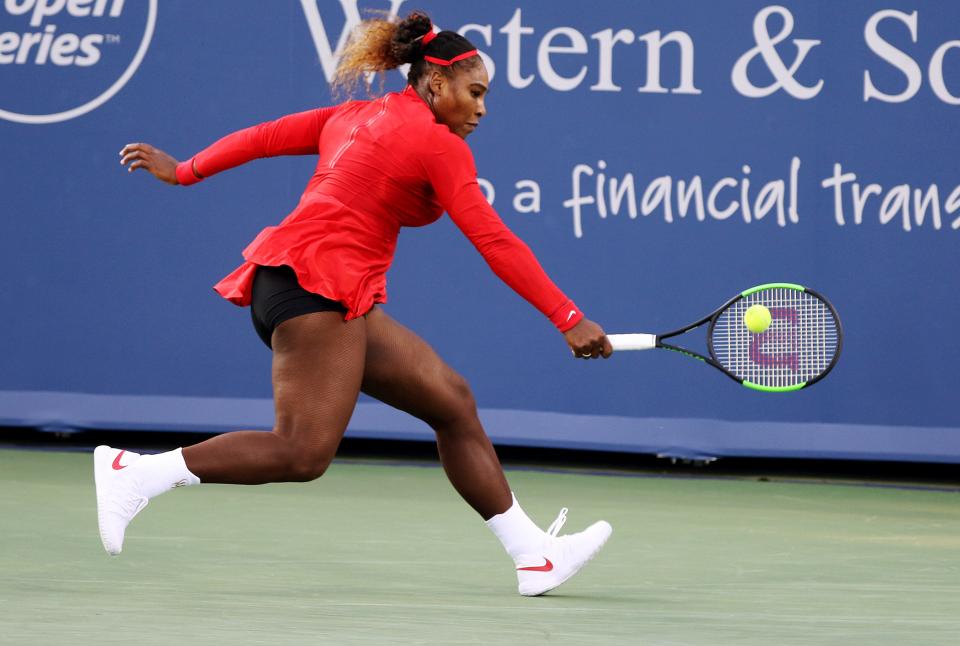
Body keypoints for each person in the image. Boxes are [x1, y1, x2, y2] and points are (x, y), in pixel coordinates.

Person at [98, 11, 613, 597]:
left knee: (451, 402)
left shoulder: (354, 115)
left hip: (305, 286)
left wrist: (187, 170)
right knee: (301, 452)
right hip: (317, 292)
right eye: (474, 92)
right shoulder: (438, 145)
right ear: (435, 83)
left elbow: (263, 136)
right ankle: (134, 473)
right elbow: (494, 241)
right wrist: (567, 317)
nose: (482, 109)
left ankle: (533, 554)